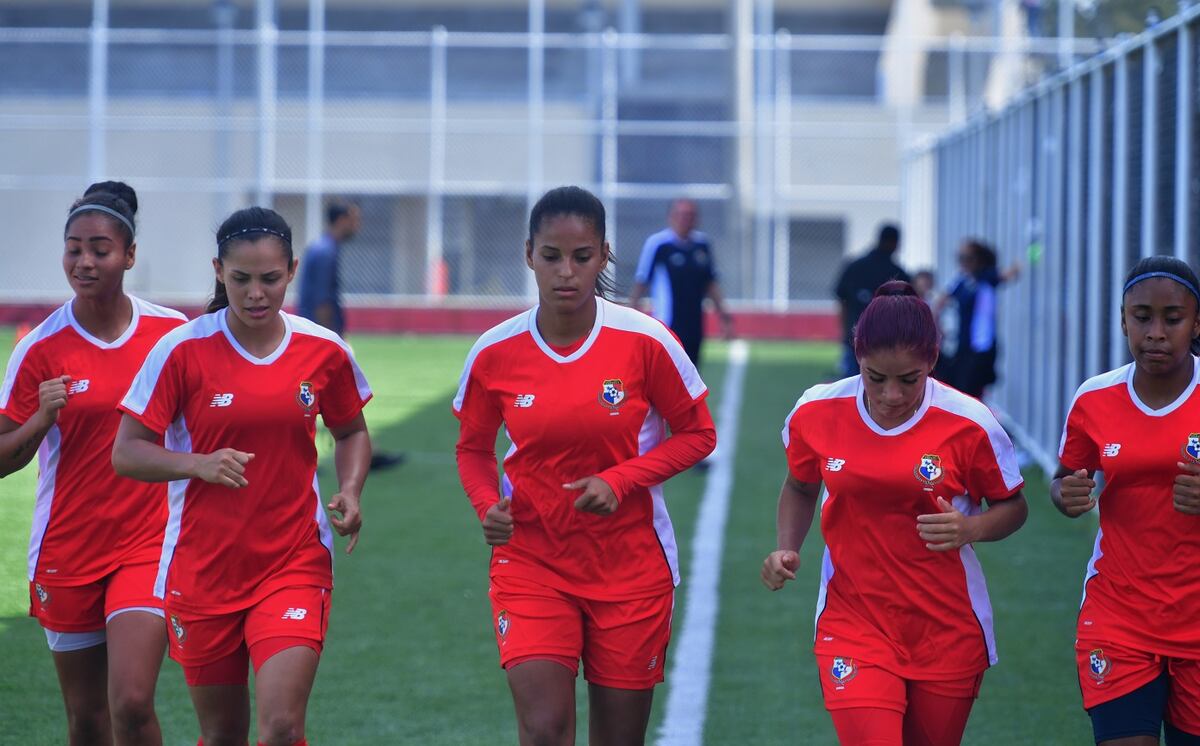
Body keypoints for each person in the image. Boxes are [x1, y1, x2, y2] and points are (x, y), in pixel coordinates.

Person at [454, 186, 716, 745]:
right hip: (532, 560)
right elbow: (473, 448)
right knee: (545, 729)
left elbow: (698, 434)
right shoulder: (495, 351)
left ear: (604, 255)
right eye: (551, 256)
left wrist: (621, 480)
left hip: (630, 568)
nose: (566, 273)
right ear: (529, 254)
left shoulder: (644, 341)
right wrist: (486, 506)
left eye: (582, 257)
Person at [111, 206, 373, 746]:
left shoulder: (323, 350)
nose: (257, 293)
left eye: (270, 279)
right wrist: (195, 464)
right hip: (203, 570)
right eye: (241, 279)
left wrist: (349, 490)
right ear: (218, 271)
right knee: (223, 733)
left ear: (292, 271)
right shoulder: (182, 351)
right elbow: (127, 452)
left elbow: (350, 431)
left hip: (292, 561)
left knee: (280, 727)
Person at [762, 281, 1027, 746]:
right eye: (874, 376)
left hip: (947, 629)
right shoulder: (817, 410)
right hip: (854, 622)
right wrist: (786, 546)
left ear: (932, 361)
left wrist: (972, 528)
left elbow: (1014, 506)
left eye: (909, 379)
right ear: (857, 357)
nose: (890, 394)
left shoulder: (971, 423)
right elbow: (801, 486)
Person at [0, 182, 186, 745]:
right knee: (87, 719)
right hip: (68, 548)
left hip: (148, 544)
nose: (84, 261)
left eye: (100, 249)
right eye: (73, 248)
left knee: (130, 702)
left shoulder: (170, 336)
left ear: (129, 256)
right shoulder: (40, 347)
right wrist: (39, 420)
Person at [1053, 255, 1200, 745]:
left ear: (1196, 322)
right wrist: (1066, 494)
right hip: (1118, 616)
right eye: (1142, 317)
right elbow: (1064, 479)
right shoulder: (1094, 399)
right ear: (1122, 320)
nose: (1156, 332)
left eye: (1173, 318)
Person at [297, 200, 402, 472]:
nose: (358, 224)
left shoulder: (324, 249)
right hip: (320, 339)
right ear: (341, 220)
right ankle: (364, 450)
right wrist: (331, 340)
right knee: (339, 392)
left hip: (317, 337)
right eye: (355, 219)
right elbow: (321, 300)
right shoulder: (325, 252)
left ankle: (366, 449)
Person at [629, 198, 733, 369]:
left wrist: (725, 319)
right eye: (682, 215)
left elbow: (711, 284)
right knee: (666, 372)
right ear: (671, 217)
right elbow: (641, 283)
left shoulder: (702, 245)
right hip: (667, 323)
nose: (686, 219)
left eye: (691, 215)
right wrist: (631, 318)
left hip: (695, 324)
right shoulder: (659, 245)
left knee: (692, 373)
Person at [935, 239, 1019, 399]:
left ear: (978, 259)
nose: (963, 263)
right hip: (963, 345)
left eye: (967, 258)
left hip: (981, 346)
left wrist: (1020, 262)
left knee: (971, 388)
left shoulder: (986, 277)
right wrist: (937, 326)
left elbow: (1008, 275)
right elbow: (941, 301)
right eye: (960, 258)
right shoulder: (962, 281)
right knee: (958, 387)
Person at [833, 224, 911, 377]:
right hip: (887, 341)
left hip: (854, 336)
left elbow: (842, 302)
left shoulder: (854, 267)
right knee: (879, 383)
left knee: (851, 383)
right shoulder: (898, 273)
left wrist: (844, 331)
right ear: (895, 243)